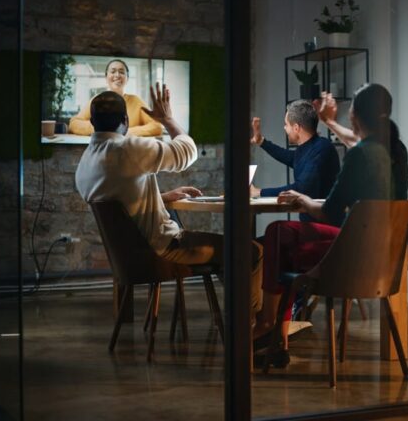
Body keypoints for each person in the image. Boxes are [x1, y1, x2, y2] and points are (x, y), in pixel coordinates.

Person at [75, 84, 262, 316]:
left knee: (229, 255)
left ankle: (238, 316)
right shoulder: (127, 148)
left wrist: (160, 197)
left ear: (92, 122)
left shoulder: (86, 161)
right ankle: (253, 326)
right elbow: (187, 152)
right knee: (251, 250)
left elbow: (119, 203)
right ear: (125, 119)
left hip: (130, 257)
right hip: (163, 248)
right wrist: (168, 119)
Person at [253, 84, 408, 358]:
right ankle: (276, 332)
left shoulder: (361, 155)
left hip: (354, 255)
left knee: (278, 234)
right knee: (283, 239)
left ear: (355, 116)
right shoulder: (395, 151)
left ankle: (270, 327)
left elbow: (329, 213)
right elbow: (357, 142)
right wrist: (330, 121)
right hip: (383, 254)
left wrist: (303, 200)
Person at [250, 100, 340, 222]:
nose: (284, 128)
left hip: (322, 227)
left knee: (276, 230)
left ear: (296, 128)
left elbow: (301, 189)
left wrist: (259, 192)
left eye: (286, 124)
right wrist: (261, 141)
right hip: (309, 226)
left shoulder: (322, 149)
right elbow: (286, 156)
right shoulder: (306, 150)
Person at [69, 59, 163, 137]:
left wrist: (125, 132)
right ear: (106, 77)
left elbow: (156, 126)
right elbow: (74, 124)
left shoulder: (136, 101)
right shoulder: (98, 100)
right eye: (113, 71)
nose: (117, 75)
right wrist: (101, 129)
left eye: (121, 72)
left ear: (127, 78)